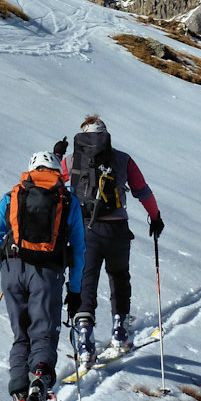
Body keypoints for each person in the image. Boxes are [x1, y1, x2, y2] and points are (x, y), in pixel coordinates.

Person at [0, 151, 85, 401]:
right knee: (43, 332)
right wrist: (75, 290)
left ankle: (20, 396)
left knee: (21, 336)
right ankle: (39, 378)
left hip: (13, 270)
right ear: (57, 171)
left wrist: (2, 262)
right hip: (48, 273)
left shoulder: (14, 195)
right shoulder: (68, 200)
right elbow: (79, 249)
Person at [53, 115, 163, 367]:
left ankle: (84, 341)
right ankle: (120, 333)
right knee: (119, 277)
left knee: (86, 282)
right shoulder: (123, 159)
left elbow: (53, 182)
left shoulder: (73, 160)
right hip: (117, 230)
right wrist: (155, 217)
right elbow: (142, 190)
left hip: (85, 230)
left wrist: (58, 157)